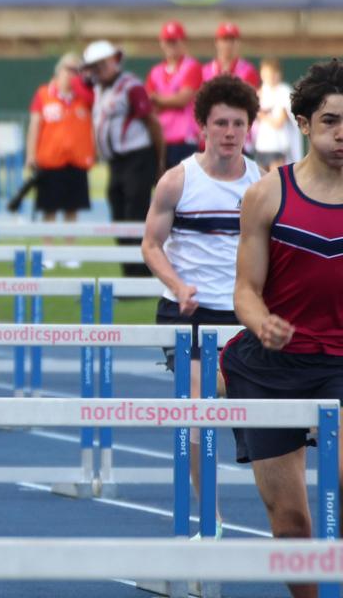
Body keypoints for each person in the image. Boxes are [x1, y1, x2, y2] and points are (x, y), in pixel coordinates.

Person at [226, 59, 343, 598]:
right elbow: (246, 292)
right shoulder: (269, 195)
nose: (342, 135)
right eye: (331, 121)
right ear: (302, 123)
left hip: (339, 362)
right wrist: (260, 323)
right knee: (291, 526)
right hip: (273, 367)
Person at [141, 75, 262, 538]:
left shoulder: (261, 184)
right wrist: (178, 284)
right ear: (203, 127)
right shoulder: (177, 181)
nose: (229, 133)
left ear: (249, 128)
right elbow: (151, 245)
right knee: (200, 403)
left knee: (250, 408)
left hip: (241, 313)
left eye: (237, 124)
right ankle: (209, 514)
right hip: (186, 313)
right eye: (220, 124)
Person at [84, 39, 164, 277]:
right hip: (116, 163)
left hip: (137, 158)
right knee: (118, 215)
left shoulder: (131, 86)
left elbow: (152, 124)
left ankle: (141, 275)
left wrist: (159, 163)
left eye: (102, 64)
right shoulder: (99, 89)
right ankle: (129, 273)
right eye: (94, 66)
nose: (98, 70)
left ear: (113, 62)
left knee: (135, 216)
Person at [26, 52, 95, 267]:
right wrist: (30, 154)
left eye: (77, 70)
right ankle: (48, 251)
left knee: (72, 209)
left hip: (76, 160)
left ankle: (69, 251)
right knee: (49, 209)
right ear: (59, 70)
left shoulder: (85, 96)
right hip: (50, 160)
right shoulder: (44, 93)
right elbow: (35, 125)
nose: (72, 75)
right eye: (69, 69)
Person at [146, 20, 204, 170]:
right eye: (168, 42)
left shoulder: (192, 66)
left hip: (185, 139)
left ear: (183, 42)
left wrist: (158, 99)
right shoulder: (156, 71)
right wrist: (167, 99)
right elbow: (149, 105)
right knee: (163, 187)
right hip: (161, 139)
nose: (171, 46)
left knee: (186, 188)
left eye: (174, 41)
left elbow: (183, 99)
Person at [254, 57, 299, 170]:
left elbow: (279, 122)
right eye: (266, 74)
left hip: (277, 147)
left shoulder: (284, 92)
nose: (269, 78)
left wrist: (262, 115)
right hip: (262, 146)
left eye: (272, 74)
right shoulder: (261, 93)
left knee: (277, 181)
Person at [202, 22, 260, 91]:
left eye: (232, 40)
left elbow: (251, 98)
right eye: (225, 39)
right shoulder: (205, 71)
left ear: (238, 43)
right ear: (217, 42)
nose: (228, 44)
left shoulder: (248, 70)